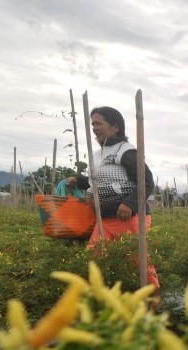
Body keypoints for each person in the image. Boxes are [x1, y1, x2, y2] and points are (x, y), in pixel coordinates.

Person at [67, 106, 160, 293]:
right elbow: (98, 183)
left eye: (99, 123)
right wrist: (78, 180)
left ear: (115, 126)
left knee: (137, 261)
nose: (94, 127)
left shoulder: (126, 151)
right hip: (105, 219)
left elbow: (146, 182)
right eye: (92, 123)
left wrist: (129, 203)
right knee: (94, 259)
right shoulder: (98, 155)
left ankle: (153, 299)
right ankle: (105, 298)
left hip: (129, 217)